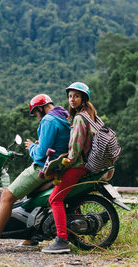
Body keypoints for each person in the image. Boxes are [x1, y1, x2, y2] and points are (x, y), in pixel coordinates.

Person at [0, 94, 70, 254]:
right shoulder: (63, 115)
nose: (37, 117)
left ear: (41, 109)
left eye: (36, 113)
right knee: (30, 196)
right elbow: (55, 143)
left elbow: (40, 155)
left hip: (44, 168)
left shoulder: (48, 120)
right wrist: (40, 145)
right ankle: (32, 236)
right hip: (59, 165)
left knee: (7, 196)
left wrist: (31, 147)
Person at [42, 82, 98, 254]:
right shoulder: (89, 115)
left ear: (83, 99)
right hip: (86, 165)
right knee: (69, 197)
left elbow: (75, 149)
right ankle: (75, 233)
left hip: (78, 165)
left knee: (55, 199)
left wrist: (63, 164)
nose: (72, 100)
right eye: (70, 96)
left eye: (76, 96)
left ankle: (61, 240)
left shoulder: (80, 118)